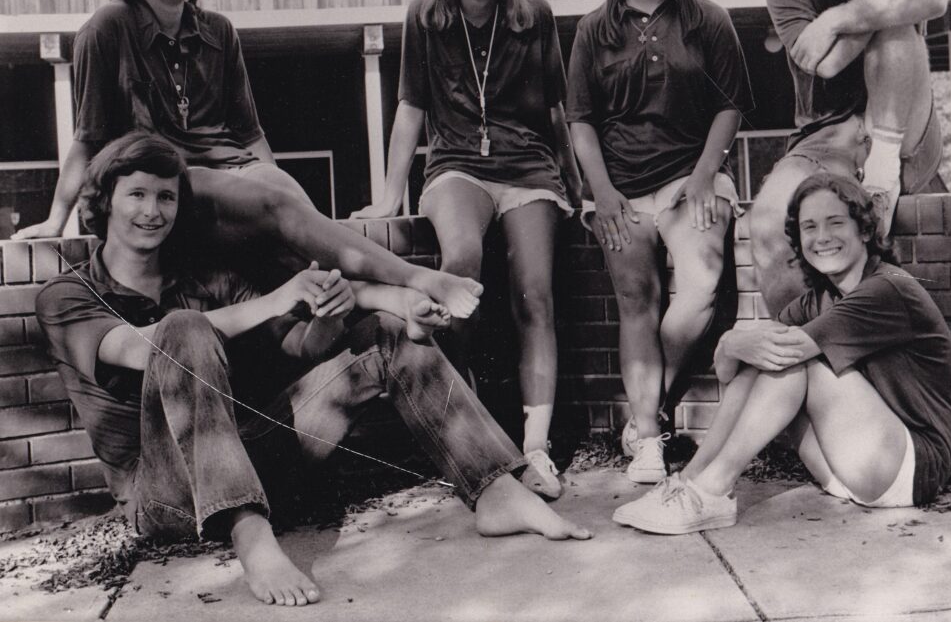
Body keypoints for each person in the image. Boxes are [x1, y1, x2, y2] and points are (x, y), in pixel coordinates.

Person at [35, 133, 592, 608]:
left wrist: (342, 311)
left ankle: (494, 489)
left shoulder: (204, 278)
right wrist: (278, 298)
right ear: (104, 200)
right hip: (159, 498)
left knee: (384, 335)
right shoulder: (69, 294)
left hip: (248, 462)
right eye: (135, 194)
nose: (151, 211)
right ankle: (252, 539)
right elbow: (141, 348)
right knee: (184, 329)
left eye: (165, 196)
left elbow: (300, 345)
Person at [13, 0, 481, 320]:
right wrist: (57, 218)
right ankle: (415, 278)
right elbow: (88, 137)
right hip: (170, 176)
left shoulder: (219, 31)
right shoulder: (108, 27)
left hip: (232, 169)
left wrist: (280, 194)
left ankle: (373, 298)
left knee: (282, 195)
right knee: (275, 204)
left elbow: (250, 135)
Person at [351, 0, 582, 499]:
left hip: (529, 168)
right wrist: (387, 194)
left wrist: (575, 185)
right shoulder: (427, 18)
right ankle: (467, 437)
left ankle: (535, 447)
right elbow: (410, 109)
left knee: (535, 289)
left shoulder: (534, 17)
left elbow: (556, 111)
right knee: (458, 266)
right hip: (457, 166)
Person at [613, 172, 951, 534]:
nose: (821, 237)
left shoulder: (887, 290)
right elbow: (731, 371)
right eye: (809, 227)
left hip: (911, 469)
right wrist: (732, 344)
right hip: (847, 468)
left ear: (866, 231)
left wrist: (734, 340)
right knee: (770, 351)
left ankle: (712, 489)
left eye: (835, 222)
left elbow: (784, 351)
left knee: (792, 356)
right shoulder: (818, 299)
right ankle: (691, 482)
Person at [566, 0, 752, 484]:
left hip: (688, 178)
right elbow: (581, 121)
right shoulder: (593, 29)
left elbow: (731, 106)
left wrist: (703, 175)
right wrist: (602, 191)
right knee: (635, 303)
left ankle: (647, 402)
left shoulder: (709, 20)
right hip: (620, 187)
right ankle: (649, 437)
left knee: (697, 288)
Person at [751, 0, 948, 317]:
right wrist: (885, 5)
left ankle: (883, 174)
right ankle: (801, 345)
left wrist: (838, 21)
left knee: (898, 10)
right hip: (824, 138)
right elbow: (818, 62)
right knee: (765, 224)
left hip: (901, 127)